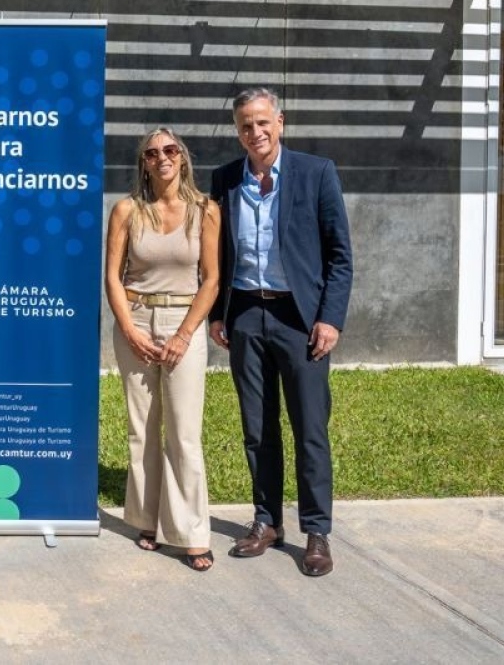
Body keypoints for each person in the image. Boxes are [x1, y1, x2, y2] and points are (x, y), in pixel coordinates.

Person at [208, 87, 353, 577]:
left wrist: (329, 318)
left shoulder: (317, 173)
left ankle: (316, 531)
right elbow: (218, 254)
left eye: (263, 122)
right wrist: (217, 314)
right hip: (246, 312)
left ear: (281, 122)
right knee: (257, 428)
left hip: (300, 318)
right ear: (238, 131)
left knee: (310, 427)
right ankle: (267, 521)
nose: (256, 132)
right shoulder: (225, 180)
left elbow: (340, 256)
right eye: (246, 125)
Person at [105, 128, 220, 572]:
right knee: (142, 429)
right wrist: (130, 330)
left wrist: (184, 334)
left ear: (183, 158)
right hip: (134, 321)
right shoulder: (127, 210)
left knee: (184, 432)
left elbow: (210, 279)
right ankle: (147, 520)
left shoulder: (206, 211)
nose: (162, 158)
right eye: (152, 153)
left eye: (170, 150)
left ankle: (191, 532)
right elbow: (113, 276)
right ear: (144, 164)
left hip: (182, 323)